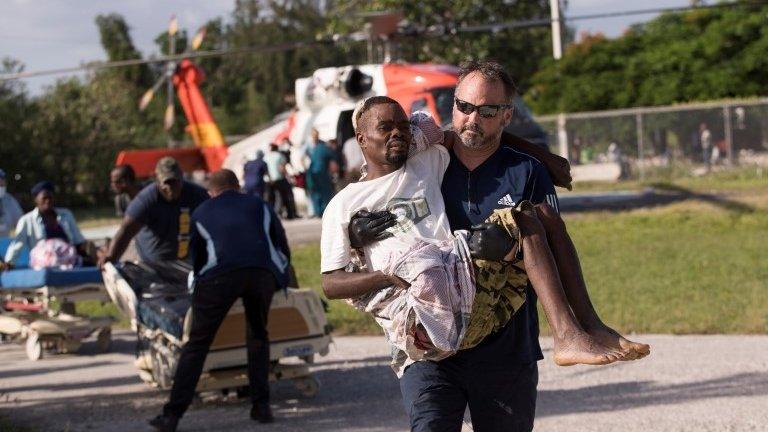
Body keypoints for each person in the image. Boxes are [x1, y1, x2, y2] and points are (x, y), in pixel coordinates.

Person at [323, 62, 648, 431]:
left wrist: (540, 160)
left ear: (506, 114)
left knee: (527, 220)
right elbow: (379, 177)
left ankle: (581, 330)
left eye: (487, 110)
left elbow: (556, 245)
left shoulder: (525, 171)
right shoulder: (430, 160)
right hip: (430, 350)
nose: (472, 118)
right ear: (453, 107)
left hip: (505, 347)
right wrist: (358, 232)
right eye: (464, 106)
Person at [149, 169, 290, 432]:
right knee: (258, 334)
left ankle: (171, 416)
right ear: (238, 187)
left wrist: (199, 291)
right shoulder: (260, 204)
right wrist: (281, 279)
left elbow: (198, 259)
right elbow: (280, 242)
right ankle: (262, 407)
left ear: (211, 192)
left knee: (198, 344)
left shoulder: (201, 212)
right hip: (262, 273)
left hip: (218, 277)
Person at [98, 157, 209, 267]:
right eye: (166, 182)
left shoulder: (197, 195)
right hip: (153, 265)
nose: (170, 187)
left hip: (187, 262)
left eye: (174, 182)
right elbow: (126, 231)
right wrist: (111, 256)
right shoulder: (146, 199)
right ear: (157, 181)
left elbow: (215, 220)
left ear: (181, 178)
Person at [2, 181, 89, 270]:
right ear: (36, 199)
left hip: (68, 259)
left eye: (50, 198)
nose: (47, 201)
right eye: (44, 198)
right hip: (43, 263)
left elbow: (78, 240)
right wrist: (9, 263)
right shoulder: (26, 220)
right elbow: (17, 244)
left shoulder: (66, 214)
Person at [307, 134, 339, 217]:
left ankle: (318, 212)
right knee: (326, 191)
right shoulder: (325, 148)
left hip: (312, 173)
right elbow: (335, 156)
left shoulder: (315, 149)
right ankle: (325, 211)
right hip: (321, 173)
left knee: (316, 193)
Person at [264, 143, 297, 219]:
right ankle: (286, 213)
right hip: (279, 178)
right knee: (283, 196)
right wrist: (288, 177)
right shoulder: (280, 156)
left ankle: (273, 214)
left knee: (272, 198)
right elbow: (282, 169)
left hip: (269, 180)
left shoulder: (266, 157)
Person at [0, 168, 23, 238]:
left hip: (5, 243)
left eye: (2, 185)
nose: (1, 187)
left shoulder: (9, 200)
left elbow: (21, 222)